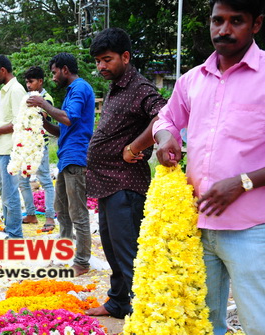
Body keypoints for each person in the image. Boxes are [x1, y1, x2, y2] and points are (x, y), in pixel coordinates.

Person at [153, 1, 265, 333]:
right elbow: (166, 118)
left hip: (252, 230)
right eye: (218, 21)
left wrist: (242, 182)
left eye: (236, 21)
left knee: (258, 323)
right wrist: (163, 138)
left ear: (256, 24)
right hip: (197, 226)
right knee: (202, 323)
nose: (224, 30)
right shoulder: (192, 79)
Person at [84, 28, 167, 319]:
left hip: (125, 185)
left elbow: (163, 115)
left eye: (107, 60)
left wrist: (135, 147)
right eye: (97, 61)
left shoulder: (140, 88)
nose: (101, 67)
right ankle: (118, 302)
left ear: (126, 56)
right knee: (112, 250)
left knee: (129, 254)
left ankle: (145, 313)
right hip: (107, 184)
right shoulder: (116, 87)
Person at [26, 53, 94, 276]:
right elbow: (60, 129)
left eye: (54, 72)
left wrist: (43, 103)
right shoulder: (70, 93)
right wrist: (42, 120)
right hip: (66, 157)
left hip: (76, 157)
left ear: (65, 70)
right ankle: (65, 253)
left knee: (77, 213)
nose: (53, 77)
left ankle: (82, 262)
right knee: (61, 210)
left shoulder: (80, 88)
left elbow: (69, 119)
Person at [0, 55, 26, 238]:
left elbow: (21, 121)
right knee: (4, 191)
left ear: (3, 70)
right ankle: (10, 228)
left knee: (10, 193)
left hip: (10, 149)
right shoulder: (6, 91)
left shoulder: (16, 90)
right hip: (2, 149)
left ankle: (15, 234)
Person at [19, 66, 56, 229]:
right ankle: (31, 214)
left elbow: (42, 118)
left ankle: (49, 217)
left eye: (31, 81)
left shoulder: (46, 98)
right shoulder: (27, 97)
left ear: (40, 81)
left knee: (46, 181)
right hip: (26, 146)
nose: (28, 85)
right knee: (23, 181)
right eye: (26, 82)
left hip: (40, 146)